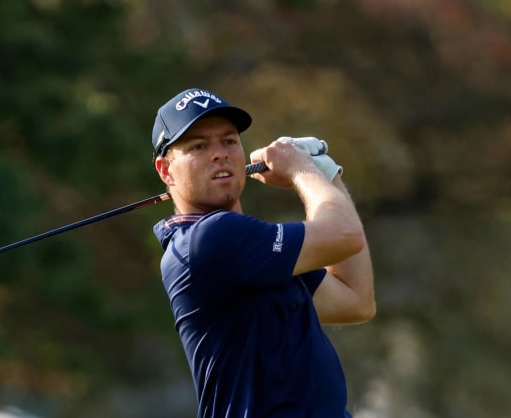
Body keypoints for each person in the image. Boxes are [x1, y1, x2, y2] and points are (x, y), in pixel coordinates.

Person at [151, 88, 375, 418]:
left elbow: (355, 299)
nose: (220, 154)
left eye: (229, 141)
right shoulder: (209, 239)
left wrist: (327, 175)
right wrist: (304, 171)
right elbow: (344, 234)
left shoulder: (252, 248)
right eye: (199, 146)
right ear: (166, 170)